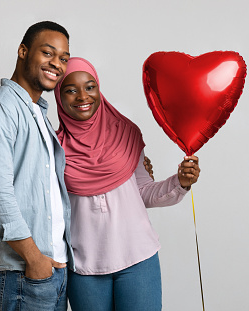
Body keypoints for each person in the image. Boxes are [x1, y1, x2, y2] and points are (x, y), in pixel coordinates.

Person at [54, 57, 201, 311]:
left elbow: (144, 192)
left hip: (138, 259)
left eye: (90, 87)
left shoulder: (126, 134)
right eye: (70, 90)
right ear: (59, 96)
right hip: (84, 266)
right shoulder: (53, 149)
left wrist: (181, 182)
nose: (82, 96)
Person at [0, 21, 74, 311]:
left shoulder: (38, 113)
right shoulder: (2, 106)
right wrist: (34, 259)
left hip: (53, 268)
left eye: (64, 58)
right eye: (48, 53)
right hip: (24, 270)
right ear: (23, 51)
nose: (57, 63)